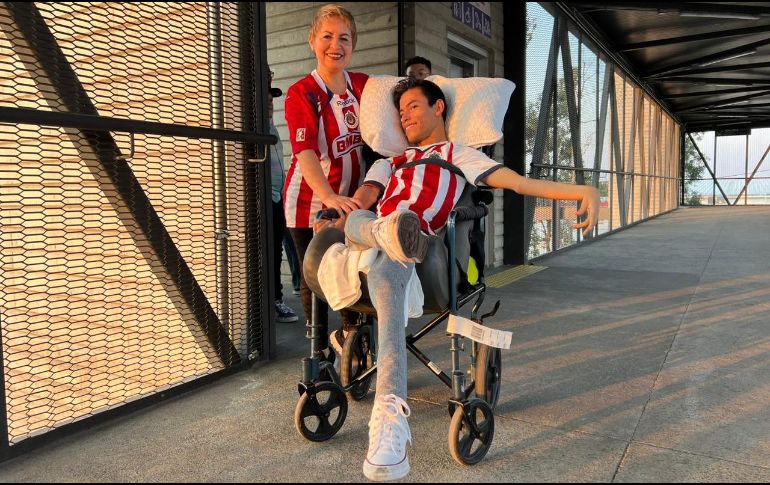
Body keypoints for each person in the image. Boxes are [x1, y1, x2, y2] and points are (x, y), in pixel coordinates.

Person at [317, 77, 600, 481]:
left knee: (388, 254)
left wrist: (581, 190)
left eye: (414, 106)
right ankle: (387, 232)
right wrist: (333, 215)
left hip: (424, 250)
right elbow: (360, 200)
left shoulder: (458, 154)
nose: (405, 116)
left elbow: (518, 183)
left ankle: (390, 413)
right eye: (401, 111)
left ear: (438, 108)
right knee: (358, 222)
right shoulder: (388, 162)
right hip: (376, 240)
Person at [283, 4, 367, 362]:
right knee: (314, 275)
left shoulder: (363, 85)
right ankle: (319, 349)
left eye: (344, 38)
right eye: (327, 36)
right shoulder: (302, 92)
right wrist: (329, 196)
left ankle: (350, 337)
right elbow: (304, 153)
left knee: (351, 270)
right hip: (309, 202)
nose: (336, 45)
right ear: (312, 40)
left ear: (353, 44)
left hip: (353, 201)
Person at [267, 73, 298, 323]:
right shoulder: (256, 127)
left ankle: (275, 299)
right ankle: (271, 300)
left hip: (278, 197)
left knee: (277, 249)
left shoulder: (271, 126)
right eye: (266, 100)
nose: (270, 104)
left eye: (271, 100)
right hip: (262, 199)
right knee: (268, 251)